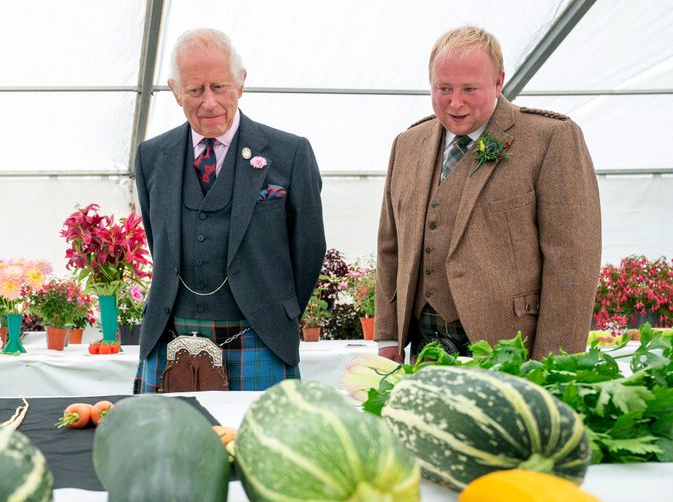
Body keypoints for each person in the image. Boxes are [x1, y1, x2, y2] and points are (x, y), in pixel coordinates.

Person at [375, 26, 601, 362]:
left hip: (512, 351)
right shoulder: (407, 145)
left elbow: (572, 265)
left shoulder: (551, 138)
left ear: (499, 82)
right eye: (444, 88)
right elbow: (389, 247)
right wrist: (388, 338)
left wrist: (553, 365)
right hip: (424, 352)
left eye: (470, 89)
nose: (455, 102)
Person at [133, 28, 325, 392]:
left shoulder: (290, 154)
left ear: (241, 83)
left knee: (261, 449)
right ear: (175, 90)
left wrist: (276, 310)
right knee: (169, 450)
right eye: (195, 89)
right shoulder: (151, 156)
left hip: (261, 340)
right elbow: (158, 241)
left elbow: (309, 249)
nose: (208, 102)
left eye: (219, 87)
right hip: (168, 340)